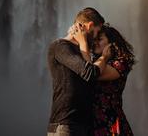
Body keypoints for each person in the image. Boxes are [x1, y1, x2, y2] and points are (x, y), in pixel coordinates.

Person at [47, 7, 112, 136]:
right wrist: (104, 57)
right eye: (96, 32)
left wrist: (83, 44)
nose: (95, 39)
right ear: (90, 25)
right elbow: (90, 73)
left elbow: (89, 80)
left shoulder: (82, 51)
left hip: (82, 125)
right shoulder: (59, 46)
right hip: (65, 125)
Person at [91, 24, 136, 136]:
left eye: (99, 39)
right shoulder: (94, 61)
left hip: (110, 123)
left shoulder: (121, 62)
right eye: (93, 40)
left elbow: (93, 73)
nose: (95, 42)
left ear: (111, 44)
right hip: (93, 123)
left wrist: (104, 57)